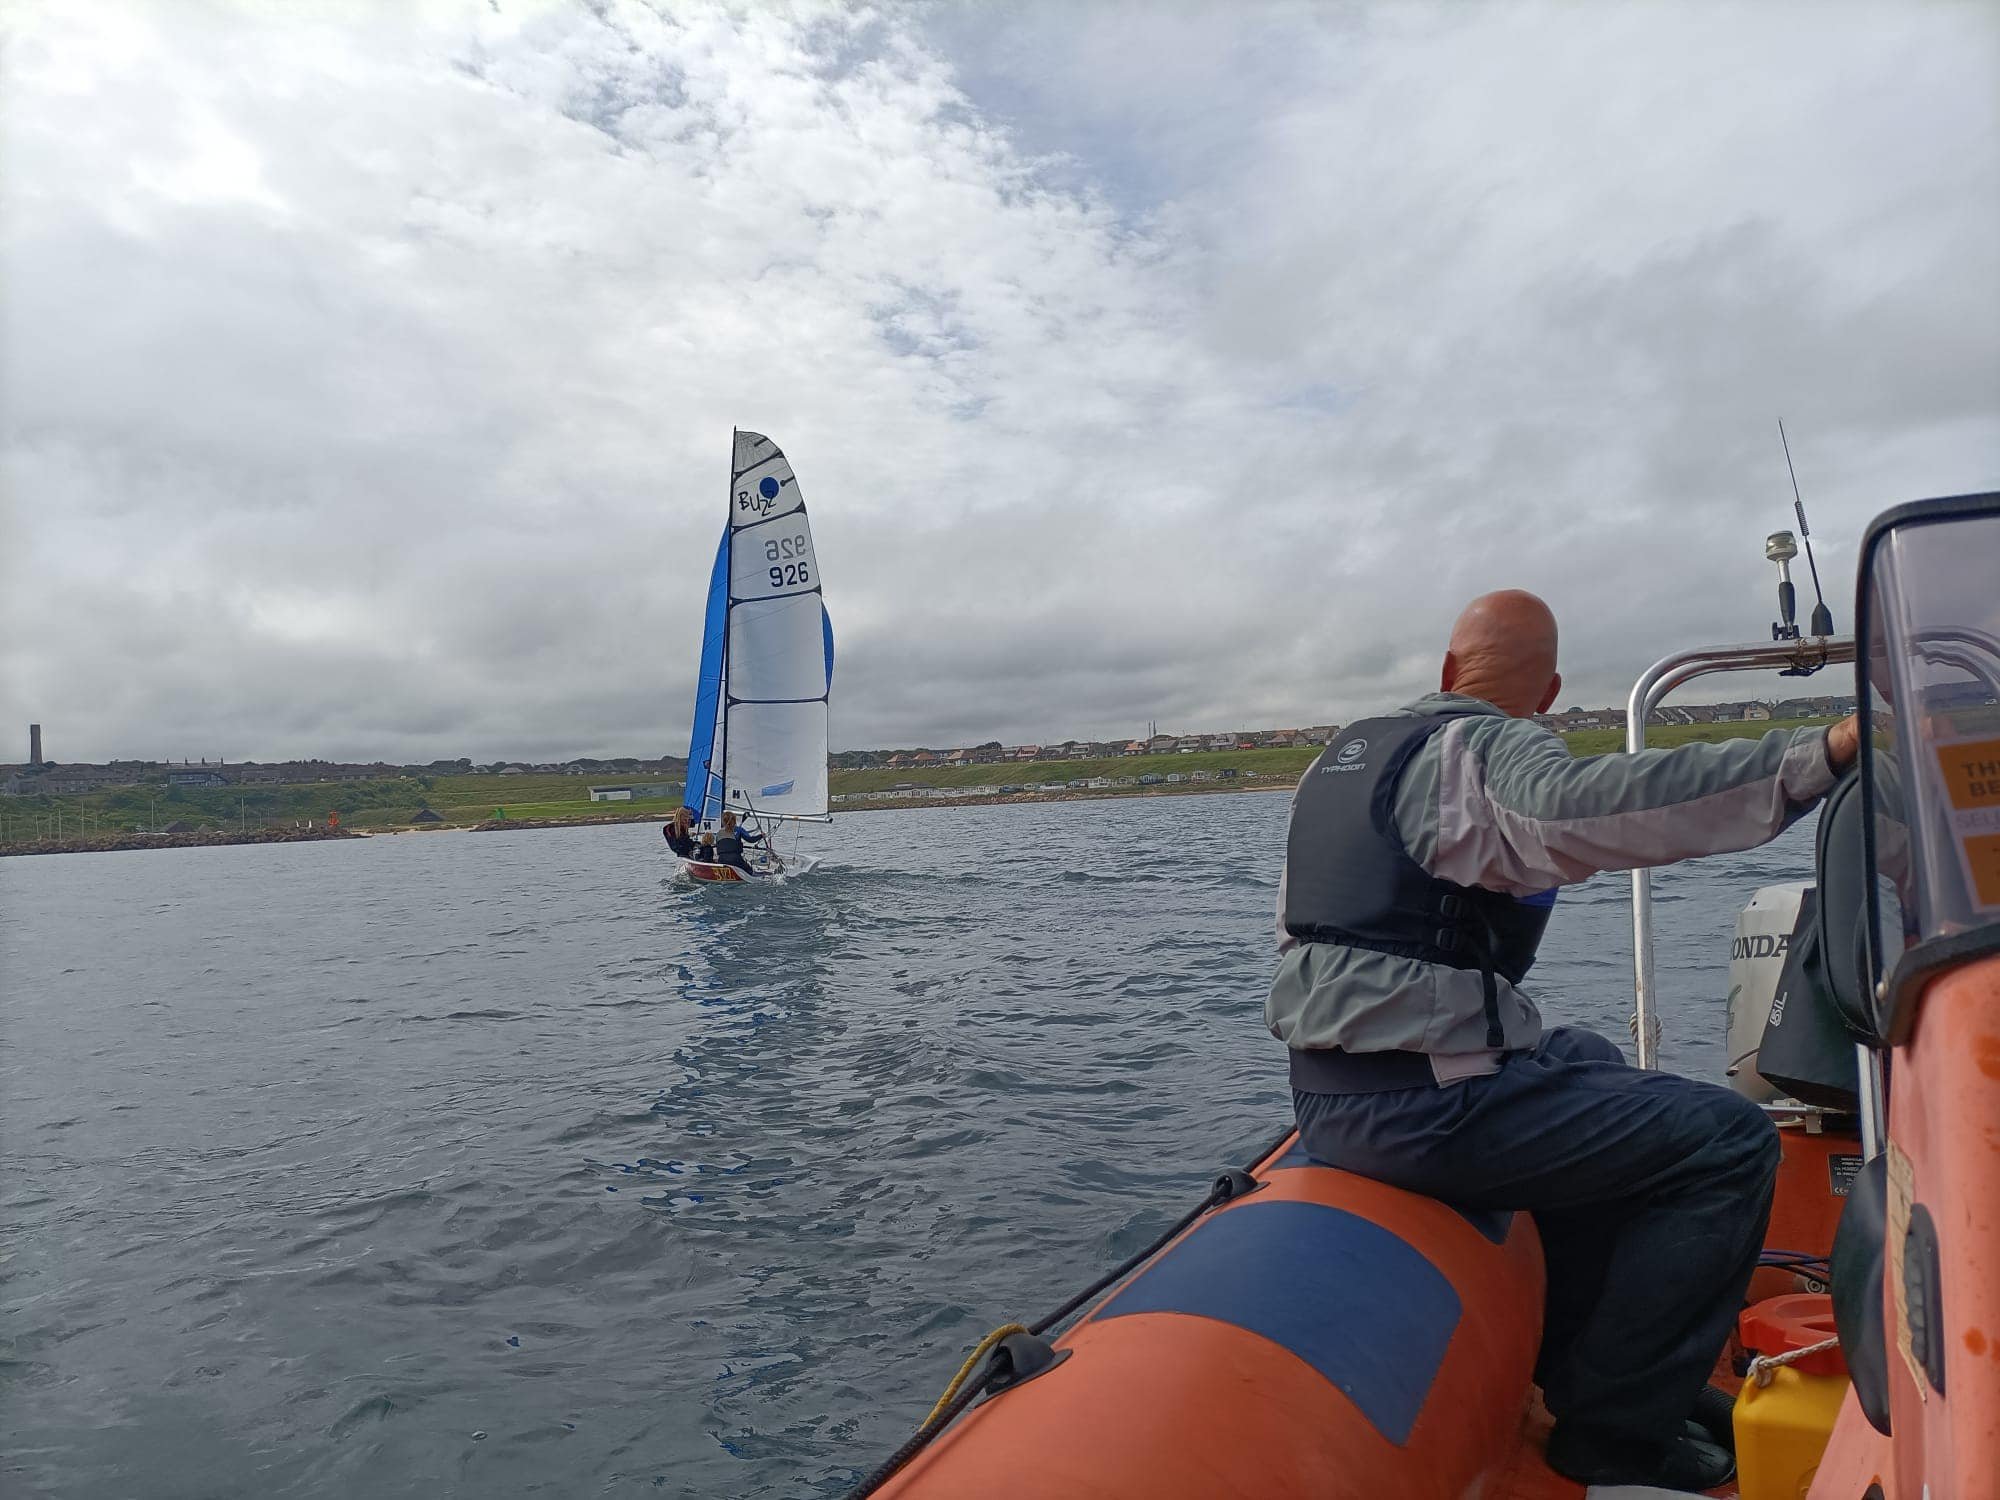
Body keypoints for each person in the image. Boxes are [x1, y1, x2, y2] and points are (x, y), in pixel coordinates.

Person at [1270, 588, 1860, 1491]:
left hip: (1327, 1096)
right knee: (1732, 1143)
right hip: (1427, 1108)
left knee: (1587, 1058)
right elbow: (1596, 806)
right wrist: (1815, 757)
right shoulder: (1487, 749)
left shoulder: (1341, 762)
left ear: (1445, 671)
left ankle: (1587, 1367)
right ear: (1548, 695)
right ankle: (1613, 1436)